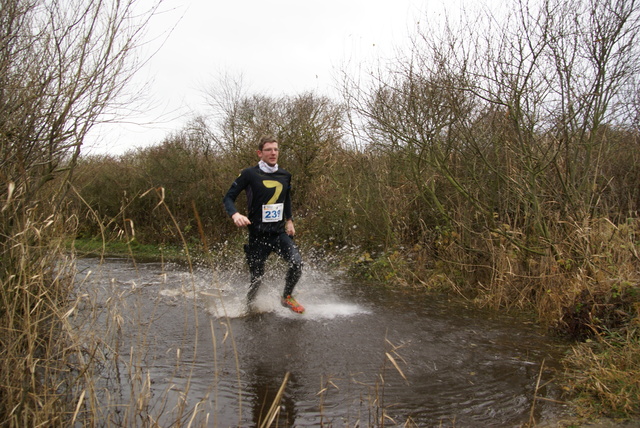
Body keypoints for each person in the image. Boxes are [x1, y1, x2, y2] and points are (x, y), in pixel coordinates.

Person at [223, 136, 305, 314]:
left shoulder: (285, 175)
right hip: (257, 236)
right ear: (260, 153)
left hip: (278, 233)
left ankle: (287, 296)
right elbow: (228, 197)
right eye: (268, 149)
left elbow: (286, 198)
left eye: (276, 149)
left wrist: (289, 220)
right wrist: (235, 214)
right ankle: (249, 308)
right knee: (257, 278)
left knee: (297, 263)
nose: (273, 153)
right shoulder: (249, 174)